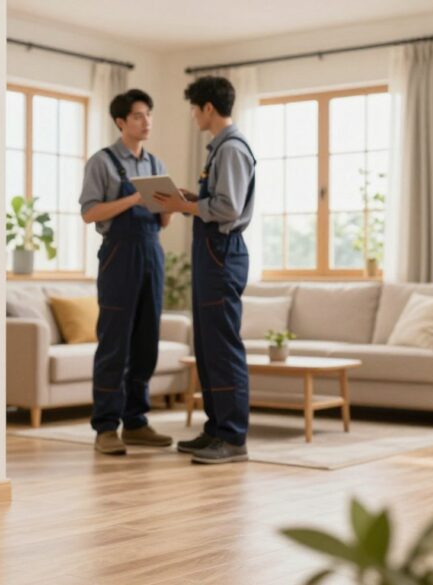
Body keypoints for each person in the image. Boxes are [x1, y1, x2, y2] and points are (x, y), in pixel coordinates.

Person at [153, 76, 257, 464]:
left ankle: (232, 437)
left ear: (208, 108)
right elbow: (222, 200)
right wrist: (195, 200)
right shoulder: (222, 149)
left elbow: (229, 209)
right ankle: (215, 429)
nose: (194, 116)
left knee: (223, 346)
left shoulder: (230, 149)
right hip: (213, 251)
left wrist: (186, 207)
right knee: (208, 346)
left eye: (195, 108)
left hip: (221, 251)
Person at [79, 89, 173, 455]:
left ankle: (136, 421)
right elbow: (89, 213)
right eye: (138, 116)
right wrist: (134, 198)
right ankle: (106, 427)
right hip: (118, 254)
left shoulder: (155, 164)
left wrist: (170, 204)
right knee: (114, 341)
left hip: (152, 251)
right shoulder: (101, 163)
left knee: (147, 340)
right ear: (121, 122)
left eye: (148, 115)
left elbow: (162, 222)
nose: (146, 121)